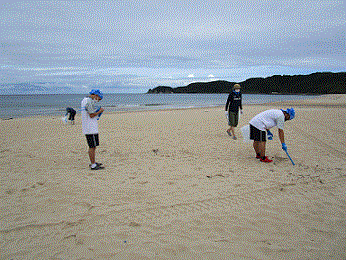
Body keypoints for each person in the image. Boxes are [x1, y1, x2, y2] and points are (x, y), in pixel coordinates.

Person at [81, 89, 105, 170]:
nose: (98, 101)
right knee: (92, 146)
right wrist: (100, 111)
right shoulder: (88, 101)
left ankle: (93, 162)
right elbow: (91, 115)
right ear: (95, 95)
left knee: (93, 146)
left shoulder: (85, 100)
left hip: (89, 127)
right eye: (98, 99)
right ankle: (93, 164)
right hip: (90, 128)